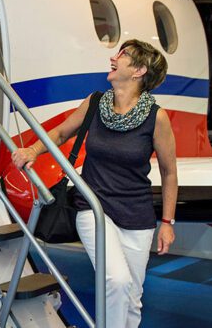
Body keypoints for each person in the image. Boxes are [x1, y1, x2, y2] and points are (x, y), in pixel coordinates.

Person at [11, 39, 178, 328]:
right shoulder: (96, 102)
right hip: (93, 206)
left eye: (122, 55)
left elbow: (169, 171)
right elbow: (62, 132)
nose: (113, 57)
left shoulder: (156, 117)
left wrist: (167, 221)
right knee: (117, 280)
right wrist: (32, 151)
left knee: (132, 296)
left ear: (138, 70)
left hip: (137, 215)